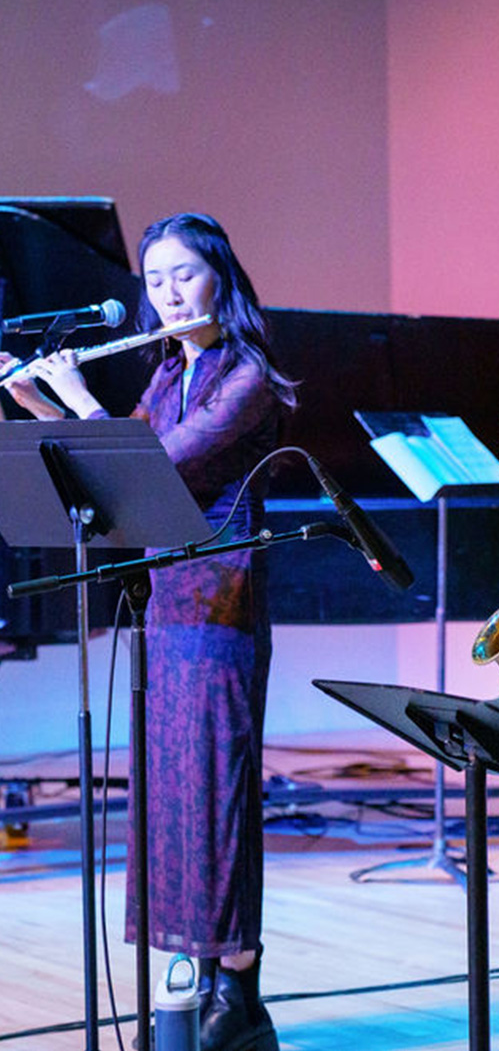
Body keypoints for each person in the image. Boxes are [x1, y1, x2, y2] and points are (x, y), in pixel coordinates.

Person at [2, 213, 295, 1051]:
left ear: (220, 280)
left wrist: (80, 397)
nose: (167, 293)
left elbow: (157, 462)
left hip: (218, 606)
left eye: (184, 275)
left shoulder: (247, 375)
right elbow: (106, 471)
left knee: (216, 796)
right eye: (154, 279)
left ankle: (237, 987)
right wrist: (30, 398)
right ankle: (196, 983)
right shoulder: (170, 373)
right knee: (170, 799)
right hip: (162, 604)